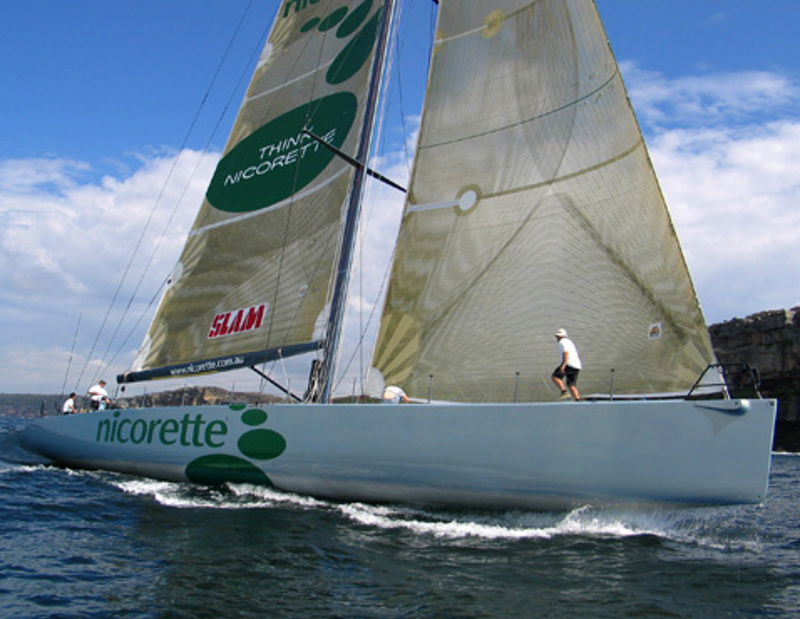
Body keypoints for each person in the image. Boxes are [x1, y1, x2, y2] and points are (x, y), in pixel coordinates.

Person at [551, 328, 581, 401]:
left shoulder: (562, 342)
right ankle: (578, 400)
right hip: (576, 365)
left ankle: (564, 392)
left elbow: (566, 353)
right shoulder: (569, 342)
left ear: (559, 336)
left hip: (568, 364)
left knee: (555, 377)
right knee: (571, 385)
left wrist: (563, 365)